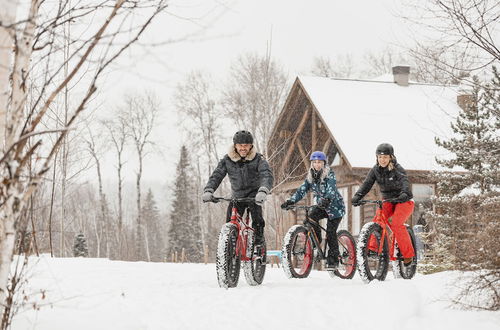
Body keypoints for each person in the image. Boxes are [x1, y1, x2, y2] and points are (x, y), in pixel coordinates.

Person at [202, 130, 273, 245]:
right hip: (237, 197)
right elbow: (217, 175)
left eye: (246, 145)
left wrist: (263, 190)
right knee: (230, 224)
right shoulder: (227, 160)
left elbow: (266, 175)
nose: (243, 148)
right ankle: (230, 250)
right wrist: (209, 190)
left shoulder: (258, 159)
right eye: (240, 145)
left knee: (258, 221)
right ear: (235, 146)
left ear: (251, 146)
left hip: (254, 196)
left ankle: (259, 248)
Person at [351, 143, 415, 266]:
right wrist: (358, 196)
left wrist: (404, 193)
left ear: (391, 157)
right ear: (376, 158)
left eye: (385, 157)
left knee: (396, 223)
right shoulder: (375, 170)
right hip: (388, 201)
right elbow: (367, 184)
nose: (382, 160)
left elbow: (405, 182)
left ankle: (408, 255)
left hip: (404, 200)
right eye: (380, 157)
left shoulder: (397, 169)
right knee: (378, 221)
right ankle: (373, 249)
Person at [280, 151, 346, 270]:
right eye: (314, 162)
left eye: (319, 162)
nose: (317, 164)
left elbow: (331, 189)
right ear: (311, 164)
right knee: (310, 217)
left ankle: (334, 259)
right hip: (321, 206)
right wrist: (291, 201)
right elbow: (301, 190)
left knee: (331, 232)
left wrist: (327, 199)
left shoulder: (329, 174)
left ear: (324, 163)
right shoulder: (311, 177)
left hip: (335, 208)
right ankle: (317, 242)